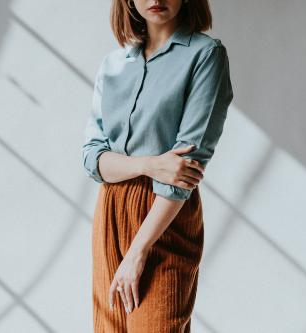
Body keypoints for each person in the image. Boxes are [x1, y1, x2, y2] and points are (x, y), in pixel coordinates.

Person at [81, 0, 234, 331]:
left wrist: (138, 252)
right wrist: (149, 164)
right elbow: (92, 158)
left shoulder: (205, 55)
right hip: (109, 212)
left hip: (165, 214)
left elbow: (184, 167)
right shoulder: (113, 64)